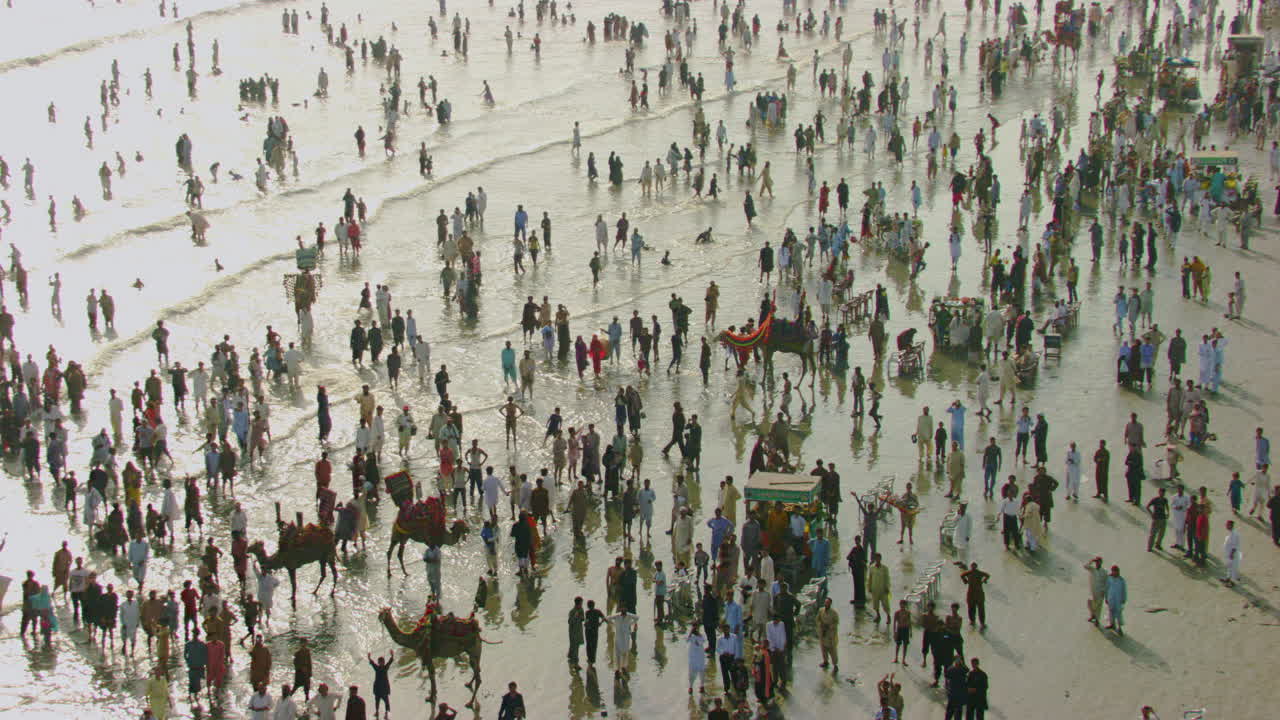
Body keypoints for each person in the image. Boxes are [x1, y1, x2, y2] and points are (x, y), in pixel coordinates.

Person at [368, 652, 392, 718]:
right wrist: (369, 658)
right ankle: (377, 712)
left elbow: (390, 662)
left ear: (384, 662)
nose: (381, 663)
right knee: (377, 701)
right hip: (377, 688)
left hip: (384, 689)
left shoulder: (385, 667)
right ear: (378, 662)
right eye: (380, 662)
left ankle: (387, 714)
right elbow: (372, 663)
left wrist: (392, 655)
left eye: (382, 662)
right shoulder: (377, 668)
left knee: (387, 702)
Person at [1104, 565, 1127, 636]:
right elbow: (1107, 588)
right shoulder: (1109, 578)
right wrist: (1106, 597)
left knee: (1119, 614)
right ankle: (1112, 624)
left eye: (1116, 571)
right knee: (1110, 611)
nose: (1115, 572)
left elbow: (1124, 590)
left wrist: (1124, 599)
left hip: (1118, 600)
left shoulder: (1121, 580)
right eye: (1114, 571)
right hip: (1111, 598)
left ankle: (1120, 628)